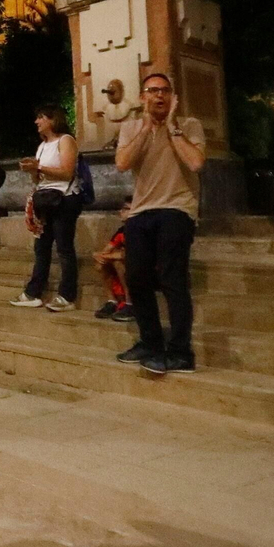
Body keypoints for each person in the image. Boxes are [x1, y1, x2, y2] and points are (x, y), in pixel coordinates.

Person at [114, 73, 206, 375]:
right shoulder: (130, 127)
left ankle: (180, 352)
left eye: (165, 91)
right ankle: (151, 343)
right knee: (137, 278)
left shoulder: (189, 125)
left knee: (172, 277)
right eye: (153, 91)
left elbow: (195, 163)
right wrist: (146, 129)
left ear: (173, 97)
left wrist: (171, 128)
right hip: (141, 212)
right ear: (143, 97)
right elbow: (123, 163)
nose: (160, 96)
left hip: (177, 208)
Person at [11, 105, 83, 312]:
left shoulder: (66, 140)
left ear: (52, 120)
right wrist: (32, 170)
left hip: (65, 199)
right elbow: (40, 177)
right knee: (41, 248)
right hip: (46, 199)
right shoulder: (42, 146)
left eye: (41, 117)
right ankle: (33, 293)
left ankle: (67, 295)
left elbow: (67, 172)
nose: (37, 122)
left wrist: (39, 167)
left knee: (64, 247)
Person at [91, 198, 136, 322]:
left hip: (145, 268)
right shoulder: (122, 231)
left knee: (118, 263)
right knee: (102, 264)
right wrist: (99, 255)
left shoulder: (138, 231)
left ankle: (130, 303)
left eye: (126, 209)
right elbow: (106, 250)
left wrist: (106, 256)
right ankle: (112, 301)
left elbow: (128, 254)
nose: (121, 212)